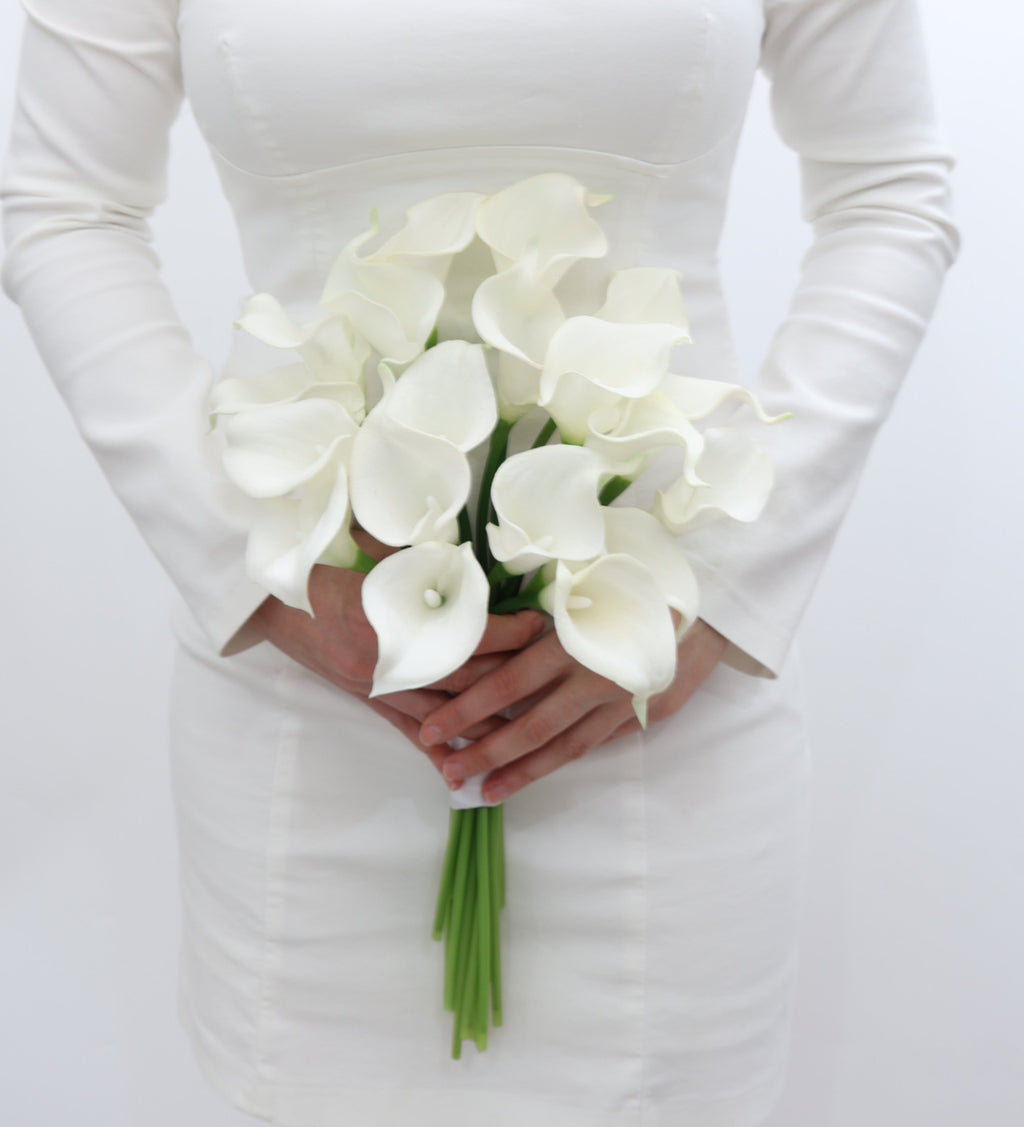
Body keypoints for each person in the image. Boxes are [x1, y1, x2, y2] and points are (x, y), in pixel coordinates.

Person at [1, 1, 957, 1124]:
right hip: (311, 688)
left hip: (659, 682)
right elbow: (65, 203)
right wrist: (259, 576)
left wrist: (725, 596)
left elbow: (888, 191)